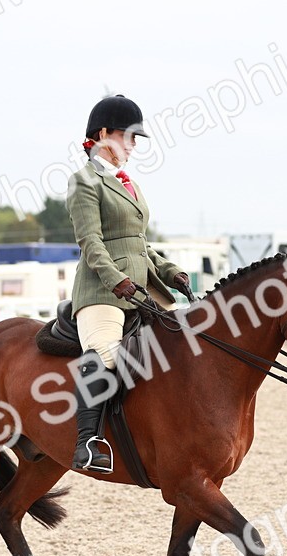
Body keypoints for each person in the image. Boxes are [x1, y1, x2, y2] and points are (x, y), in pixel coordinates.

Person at [67, 94, 190, 473]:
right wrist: (116, 280)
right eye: (129, 137)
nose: (134, 147)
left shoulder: (128, 183)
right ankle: (87, 442)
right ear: (103, 134)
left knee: (189, 339)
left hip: (144, 289)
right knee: (104, 352)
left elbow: (139, 243)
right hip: (102, 291)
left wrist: (171, 272)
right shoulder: (84, 182)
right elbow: (91, 243)